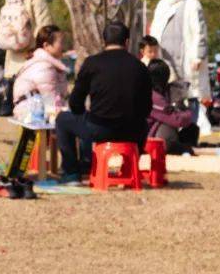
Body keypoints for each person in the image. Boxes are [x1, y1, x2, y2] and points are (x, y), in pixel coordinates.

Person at [55, 21, 152, 184]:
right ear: (127, 42)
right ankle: (127, 169)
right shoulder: (140, 66)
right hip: (133, 131)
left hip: (100, 129)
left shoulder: (92, 63)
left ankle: (72, 173)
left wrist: (83, 113)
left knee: (63, 120)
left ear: (104, 41)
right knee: (143, 124)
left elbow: (75, 103)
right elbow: (146, 108)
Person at [149, 0, 210, 115]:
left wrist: (198, 56)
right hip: (166, 59)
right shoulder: (162, 4)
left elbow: (200, 32)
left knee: (190, 95)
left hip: (187, 59)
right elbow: (155, 31)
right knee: (168, 93)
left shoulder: (192, 3)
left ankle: (190, 129)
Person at [0, 0, 53, 114]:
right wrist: (40, 48)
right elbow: (44, 24)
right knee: (35, 102)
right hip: (31, 53)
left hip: (12, 53)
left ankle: (9, 108)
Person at [12, 25, 70, 121]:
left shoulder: (49, 64)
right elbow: (50, 99)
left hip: (34, 108)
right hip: (31, 111)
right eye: (60, 42)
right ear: (46, 45)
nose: (63, 46)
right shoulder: (44, 66)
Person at [146, 59, 197, 156]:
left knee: (192, 129)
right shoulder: (153, 96)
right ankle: (182, 147)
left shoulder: (161, 92)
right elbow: (176, 119)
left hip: (152, 133)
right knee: (167, 126)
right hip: (149, 138)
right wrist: (187, 113)